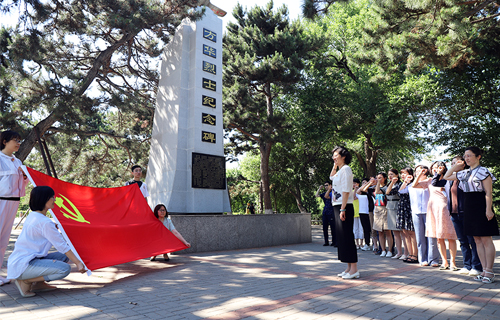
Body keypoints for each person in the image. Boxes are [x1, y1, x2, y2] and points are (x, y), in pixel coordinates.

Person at [7, 186, 86, 298]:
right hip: (24, 265)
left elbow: (40, 230)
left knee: (62, 257)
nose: (54, 199)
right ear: (44, 199)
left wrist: (52, 227)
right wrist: (78, 263)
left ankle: (39, 285)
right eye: (52, 197)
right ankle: (26, 281)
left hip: (23, 260)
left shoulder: (34, 216)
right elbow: (62, 246)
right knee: (64, 269)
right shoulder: (44, 222)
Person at [444, 147, 498, 283]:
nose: (466, 158)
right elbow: (446, 176)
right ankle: (484, 270)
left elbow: (488, 193)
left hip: (480, 204)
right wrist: (456, 166)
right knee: (477, 239)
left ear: (478, 156)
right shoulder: (465, 173)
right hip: (468, 205)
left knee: (486, 239)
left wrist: (488, 209)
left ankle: (490, 272)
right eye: (465, 156)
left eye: (469, 156)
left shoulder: (484, 171)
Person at [414, 162, 458, 271]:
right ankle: (444, 261)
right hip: (432, 209)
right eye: (433, 168)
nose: (435, 169)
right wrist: (420, 174)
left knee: (450, 236)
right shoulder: (429, 181)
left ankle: (453, 262)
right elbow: (415, 185)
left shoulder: (448, 180)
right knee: (439, 237)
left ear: (442, 169)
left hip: (445, 208)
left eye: (437, 168)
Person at [445, 156, 482, 276]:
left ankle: (476, 266)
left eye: (457, 163)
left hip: (467, 213)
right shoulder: (451, 179)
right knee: (462, 241)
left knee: (472, 240)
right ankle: (467, 265)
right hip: (455, 214)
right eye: (452, 163)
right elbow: (440, 179)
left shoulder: (466, 176)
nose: (454, 165)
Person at [0, 130, 28, 285]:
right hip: (1, 201)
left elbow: (21, 185)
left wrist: (24, 178)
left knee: (3, 241)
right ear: (5, 141)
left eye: (19, 140)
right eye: (15, 140)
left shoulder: (17, 161)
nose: (18, 143)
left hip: (13, 202)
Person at [329, 146, 358, 279]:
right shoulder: (340, 170)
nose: (334, 157)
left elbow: (346, 190)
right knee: (342, 238)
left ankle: (354, 269)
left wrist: (343, 209)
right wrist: (334, 166)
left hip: (344, 206)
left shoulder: (346, 169)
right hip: (337, 205)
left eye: (336, 155)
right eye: (333, 155)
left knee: (347, 237)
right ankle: (348, 267)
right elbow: (331, 177)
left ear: (343, 156)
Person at [409, 165, 439, 267]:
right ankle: (423, 259)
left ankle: (433, 259)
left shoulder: (430, 181)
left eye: (421, 170)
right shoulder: (412, 184)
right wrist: (418, 175)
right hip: (416, 212)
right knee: (420, 237)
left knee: (431, 237)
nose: (419, 172)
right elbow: (414, 185)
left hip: (429, 211)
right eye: (417, 171)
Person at [396, 167, 418, 263]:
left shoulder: (414, 184)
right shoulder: (403, 184)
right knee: (405, 233)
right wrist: (405, 182)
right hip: (402, 208)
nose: (403, 175)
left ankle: (415, 255)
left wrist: (408, 181)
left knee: (412, 233)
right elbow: (399, 191)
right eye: (402, 173)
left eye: (405, 173)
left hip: (409, 208)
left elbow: (405, 192)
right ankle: (409, 254)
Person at [373, 172, 393, 257]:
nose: (379, 179)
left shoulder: (386, 187)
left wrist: (377, 183)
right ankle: (383, 250)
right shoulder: (376, 186)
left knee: (387, 231)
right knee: (379, 231)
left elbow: (378, 192)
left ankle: (390, 250)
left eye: (380, 177)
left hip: (385, 209)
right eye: (377, 177)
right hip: (377, 210)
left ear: (385, 178)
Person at [385, 169, 404, 259]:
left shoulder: (400, 184)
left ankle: (405, 252)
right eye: (389, 174)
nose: (390, 176)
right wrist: (391, 183)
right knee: (394, 231)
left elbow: (391, 192)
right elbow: (386, 192)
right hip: (390, 207)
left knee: (402, 231)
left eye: (392, 174)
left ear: (397, 175)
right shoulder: (390, 184)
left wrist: (393, 183)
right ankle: (398, 252)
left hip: (397, 206)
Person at [315, 182, 336, 247]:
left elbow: (327, 197)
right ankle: (326, 241)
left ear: (330, 185)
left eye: (327, 185)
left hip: (331, 212)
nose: (325, 187)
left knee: (333, 228)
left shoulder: (333, 193)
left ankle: (334, 242)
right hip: (325, 212)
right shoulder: (324, 193)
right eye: (325, 186)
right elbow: (316, 195)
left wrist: (330, 189)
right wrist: (319, 188)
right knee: (325, 228)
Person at [352, 179, 364, 249]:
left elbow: (357, 196)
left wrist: (357, 189)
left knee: (361, 228)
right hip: (354, 212)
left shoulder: (361, 192)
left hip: (361, 212)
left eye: (355, 183)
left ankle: (362, 243)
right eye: (353, 183)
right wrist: (355, 190)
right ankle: (357, 243)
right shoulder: (352, 192)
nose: (354, 184)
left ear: (358, 184)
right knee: (355, 229)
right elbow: (353, 197)